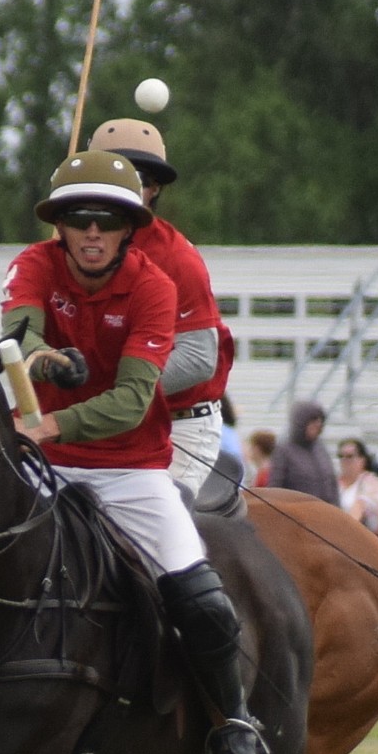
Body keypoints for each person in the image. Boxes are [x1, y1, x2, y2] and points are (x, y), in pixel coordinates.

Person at [0, 147, 265, 754]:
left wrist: (50, 421)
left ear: (129, 226)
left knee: (201, 598)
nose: (91, 232)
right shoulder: (34, 262)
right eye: (77, 218)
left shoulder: (155, 286)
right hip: (44, 459)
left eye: (107, 219)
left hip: (129, 469)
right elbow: (18, 330)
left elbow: (129, 401)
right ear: (59, 223)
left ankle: (233, 726)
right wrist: (37, 357)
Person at [87, 119, 234, 499]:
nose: (135, 189)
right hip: (102, 423)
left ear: (155, 191)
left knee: (145, 542)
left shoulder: (177, 258)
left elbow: (200, 357)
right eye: (120, 176)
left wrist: (114, 388)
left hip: (178, 426)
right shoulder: (73, 250)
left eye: (145, 180)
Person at [267, 401, 339, 505]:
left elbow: (332, 485)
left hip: (326, 513)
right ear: (301, 422)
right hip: (297, 514)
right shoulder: (284, 451)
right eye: (313, 420)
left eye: (320, 420)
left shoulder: (321, 449)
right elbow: (275, 488)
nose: (318, 424)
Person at [337, 438, 378, 531]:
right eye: (341, 456)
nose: (344, 460)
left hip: (361, 532)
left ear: (362, 460)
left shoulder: (371, 482)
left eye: (349, 456)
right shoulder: (335, 483)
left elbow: (361, 505)